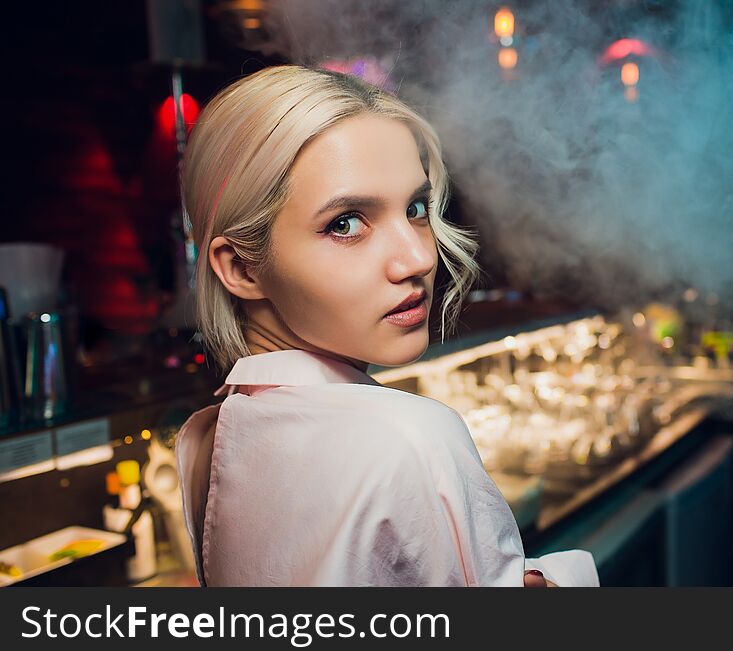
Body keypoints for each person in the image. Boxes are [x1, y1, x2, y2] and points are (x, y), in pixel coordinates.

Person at [175, 65, 599, 587]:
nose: (419, 257)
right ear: (242, 268)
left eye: (417, 208)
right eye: (346, 223)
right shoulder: (406, 438)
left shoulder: (211, 437)